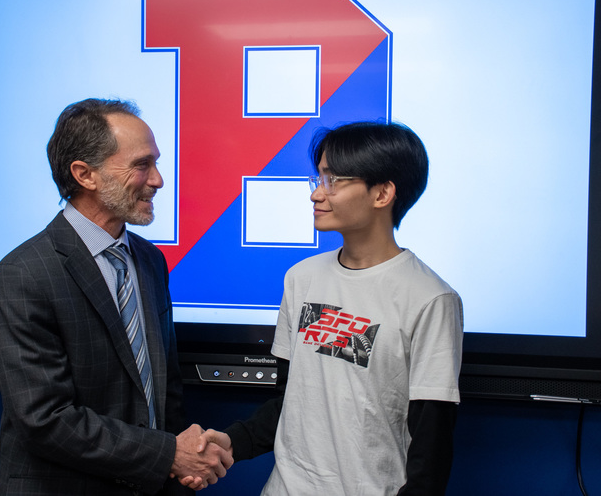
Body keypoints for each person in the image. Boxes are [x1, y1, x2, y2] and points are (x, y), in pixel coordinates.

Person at [192, 121, 464, 495]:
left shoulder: (430, 299)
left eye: (334, 180)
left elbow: (431, 443)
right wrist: (234, 442)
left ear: (382, 193)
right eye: (318, 179)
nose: (317, 194)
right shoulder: (300, 278)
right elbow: (291, 400)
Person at [0, 98, 232, 495]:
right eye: (141, 165)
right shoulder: (21, 276)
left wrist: (180, 463)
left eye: (156, 163)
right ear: (85, 175)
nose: (158, 180)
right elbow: (45, 420)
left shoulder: (149, 260)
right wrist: (168, 454)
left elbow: (163, 386)